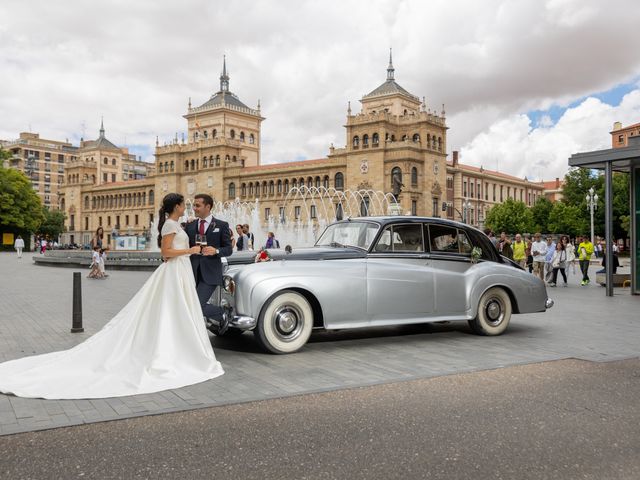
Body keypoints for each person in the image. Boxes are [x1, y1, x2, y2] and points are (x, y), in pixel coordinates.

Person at [0, 193, 224, 399]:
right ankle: (175, 350)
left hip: (181, 272)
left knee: (178, 310)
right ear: (176, 206)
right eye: (185, 204)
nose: (188, 207)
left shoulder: (177, 224)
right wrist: (190, 250)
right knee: (173, 310)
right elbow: (166, 254)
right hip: (175, 270)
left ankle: (179, 347)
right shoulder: (170, 225)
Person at [186, 193, 233, 335]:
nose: (194, 208)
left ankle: (222, 312)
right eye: (194, 205)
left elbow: (229, 249)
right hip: (192, 272)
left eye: (198, 205)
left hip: (211, 273)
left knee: (196, 305)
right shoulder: (190, 225)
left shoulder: (221, 225)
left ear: (208, 206)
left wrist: (216, 251)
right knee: (190, 305)